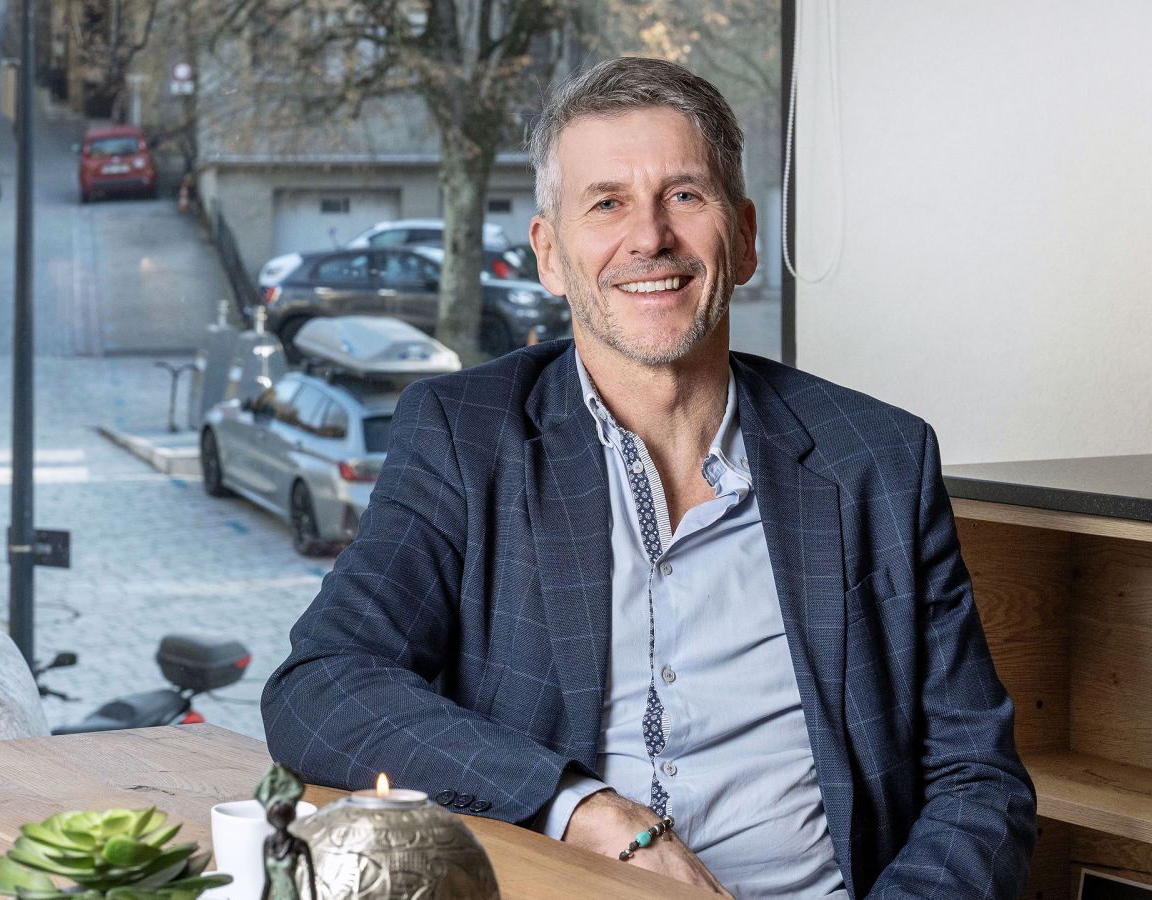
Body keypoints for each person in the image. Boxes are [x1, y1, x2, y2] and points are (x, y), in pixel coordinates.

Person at [262, 57, 1036, 899]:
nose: (650, 238)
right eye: (607, 203)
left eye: (685, 195)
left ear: (744, 238)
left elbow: (978, 780)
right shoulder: (465, 437)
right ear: (549, 255)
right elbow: (322, 686)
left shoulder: (878, 458)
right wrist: (582, 809)